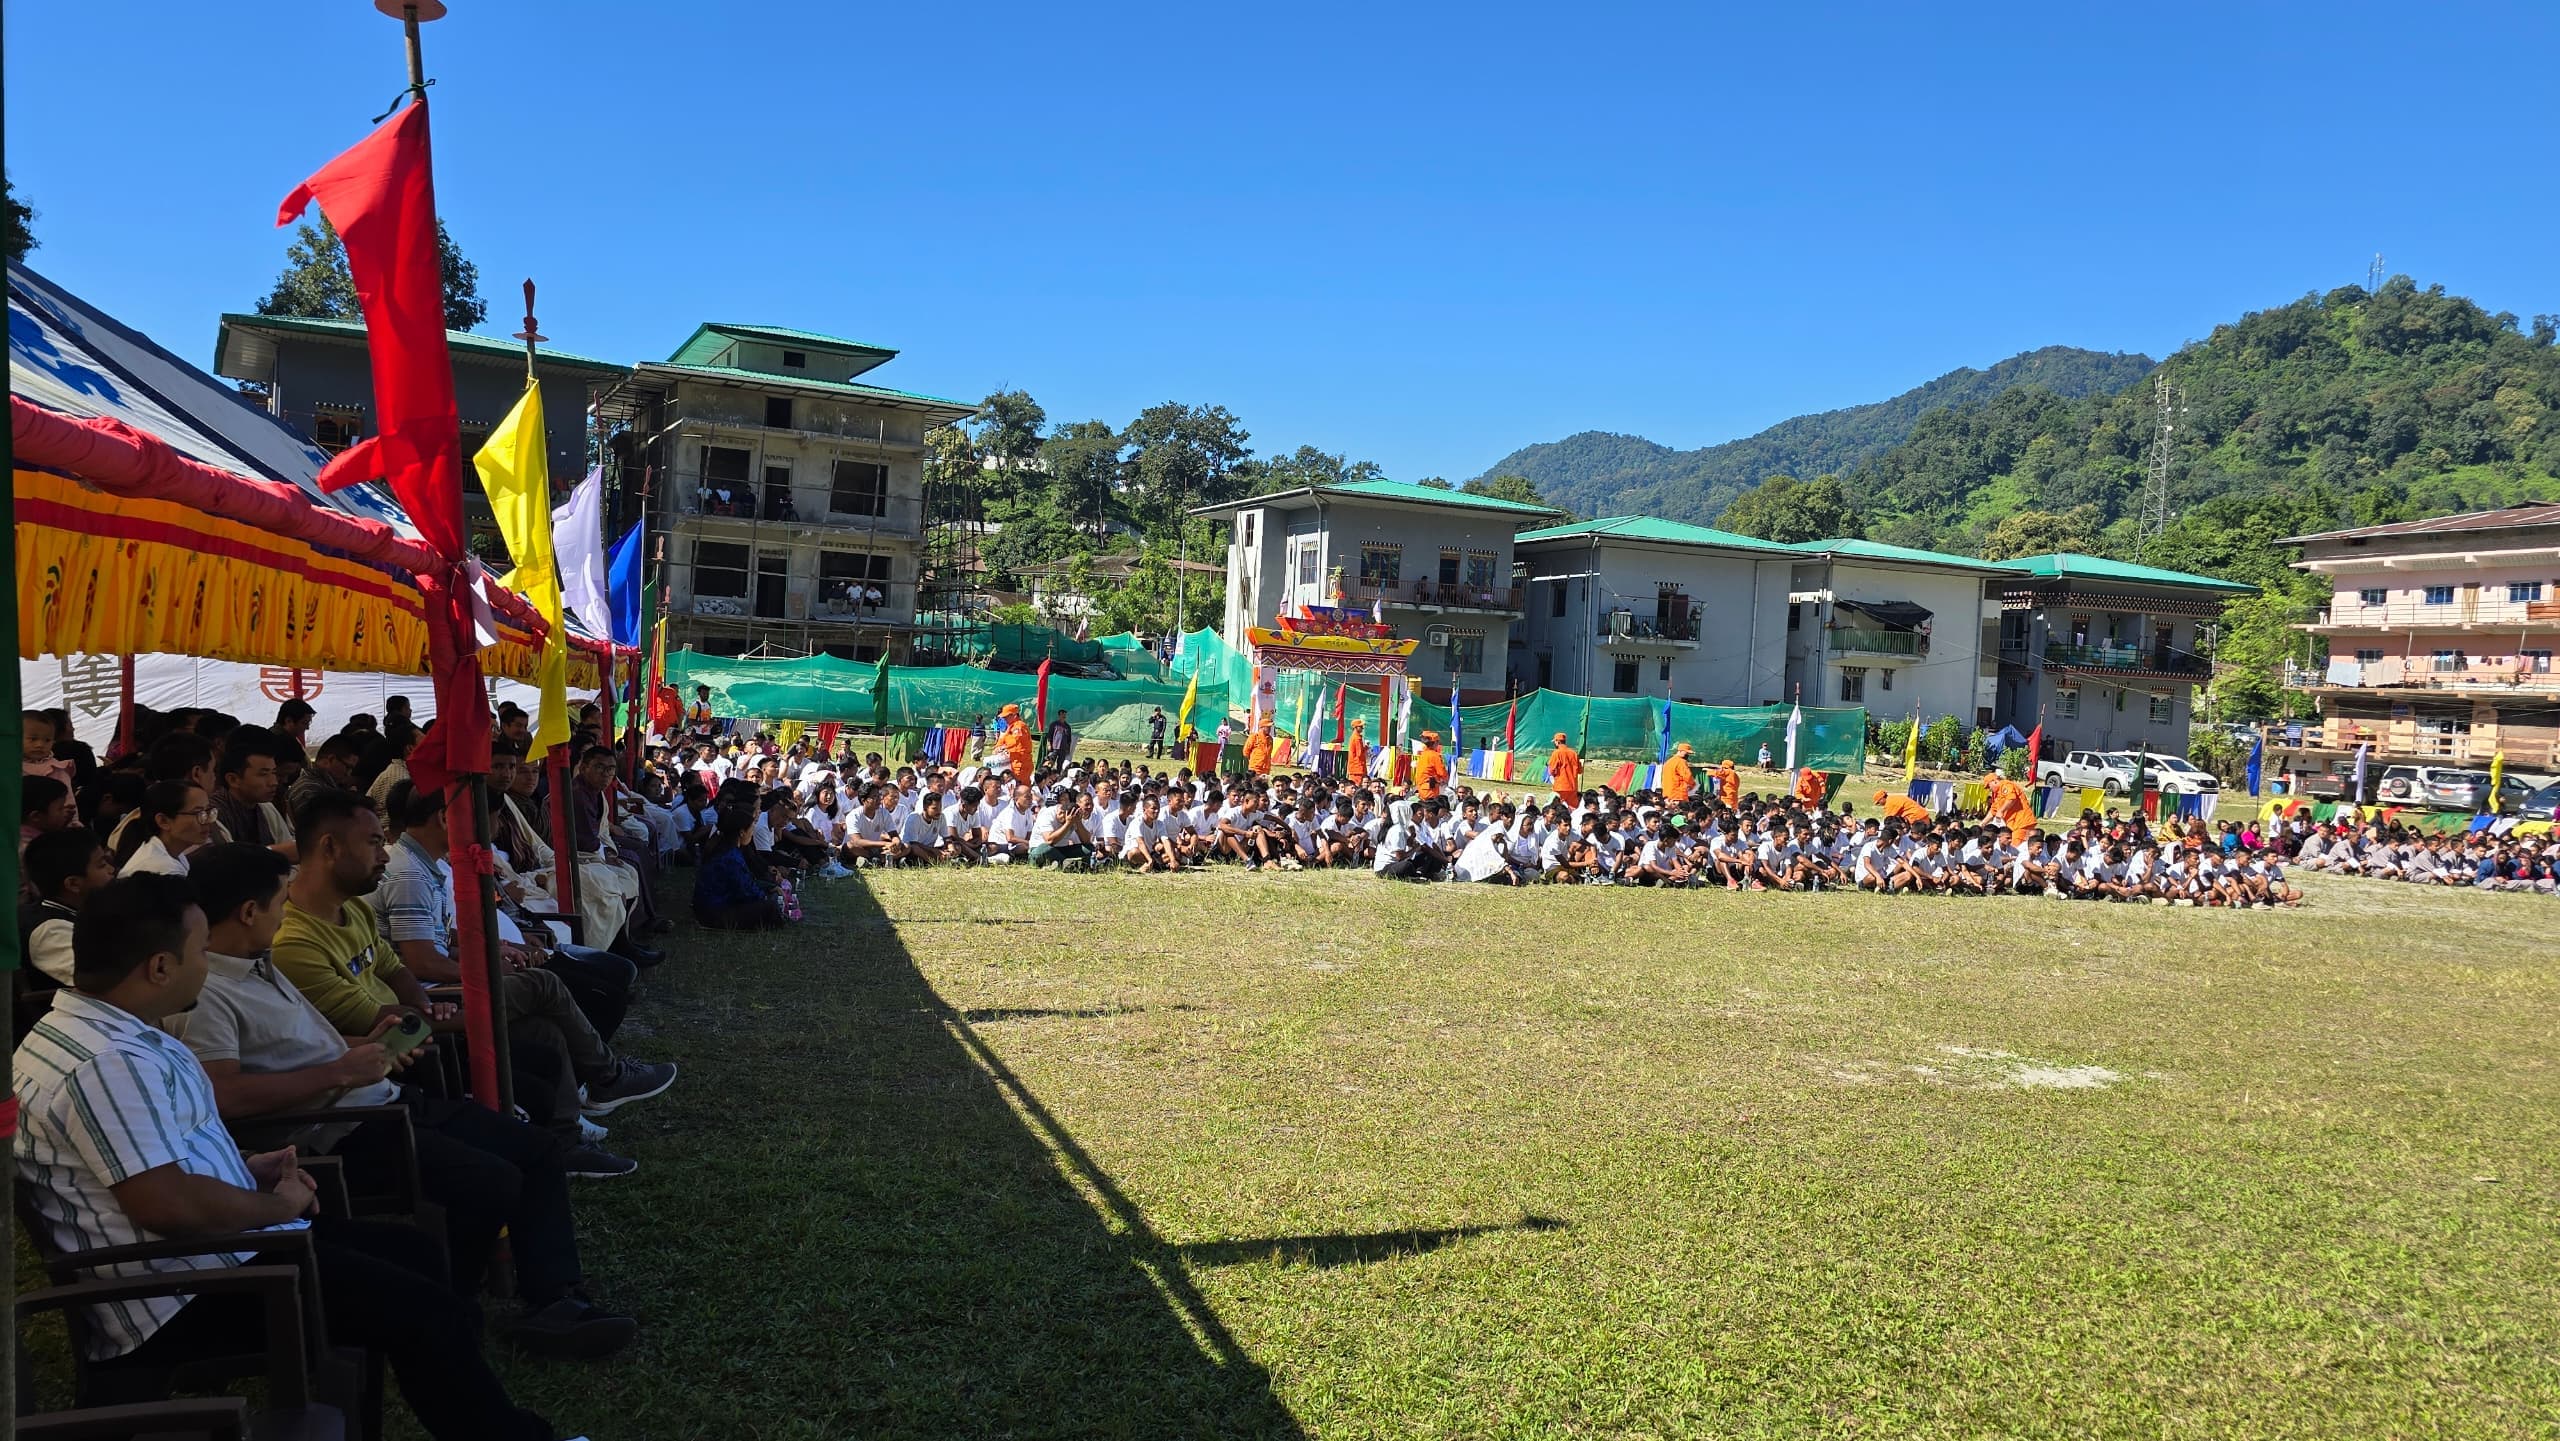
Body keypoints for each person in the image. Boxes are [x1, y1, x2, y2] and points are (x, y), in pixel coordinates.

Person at [14, 873, 566, 1440]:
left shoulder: (87, 1033)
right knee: (425, 1309)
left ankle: (453, 1381)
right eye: (199, 950)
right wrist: (277, 1207)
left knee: (417, 1257)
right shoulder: (108, 1063)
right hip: (184, 1292)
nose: (208, 962)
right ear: (159, 967)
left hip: (209, 1255)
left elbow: (145, 1166)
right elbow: (166, 1204)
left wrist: (243, 1169)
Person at [182, 843, 637, 1359]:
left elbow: (296, 1050)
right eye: (279, 903)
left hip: (382, 1100)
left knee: (535, 1149)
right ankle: (452, 1306)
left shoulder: (258, 965)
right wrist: (340, 1069)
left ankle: (555, 1298)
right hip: (340, 1131)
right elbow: (224, 1095)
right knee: (491, 1179)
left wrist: (367, 1045)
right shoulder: (209, 993)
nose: (286, 914)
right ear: (248, 912)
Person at [21, 827, 115, 988]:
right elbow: (104, 979)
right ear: (73, 884)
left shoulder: (86, 909)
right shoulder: (49, 931)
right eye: (102, 865)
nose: (112, 870)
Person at [695, 811, 790, 928]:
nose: (752, 833)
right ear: (741, 832)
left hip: (713, 907)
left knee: (771, 895)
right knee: (770, 906)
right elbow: (745, 891)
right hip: (715, 913)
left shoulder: (728, 849)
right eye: (751, 829)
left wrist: (770, 887)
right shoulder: (730, 856)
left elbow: (746, 881)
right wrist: (764, 896)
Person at [117, 779, 212, 876]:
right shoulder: (160, 871)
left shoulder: (173, 853)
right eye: (198, 813)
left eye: (208, 811)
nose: (208, 821)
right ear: (163, 821)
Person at [1412, 731, 1451, 801]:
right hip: (1430, 789)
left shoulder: (1423, 754)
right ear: (1435, 743)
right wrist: (1445, 780)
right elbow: (1442, 772)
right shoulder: (1434, 755)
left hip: (1421, 788)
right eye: (1438, 742)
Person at [1547, 732, 1582, 803]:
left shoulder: (1556, 753)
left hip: (1560, 786)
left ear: (1558, 741)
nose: (1554, 743)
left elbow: (1551, 771)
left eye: (1555, 741)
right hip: (1573, 787)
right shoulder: (1573, 753)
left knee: (1559, 808)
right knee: (1572, 809)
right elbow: (1580, 770)